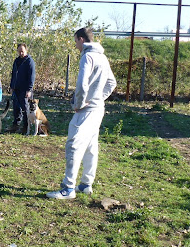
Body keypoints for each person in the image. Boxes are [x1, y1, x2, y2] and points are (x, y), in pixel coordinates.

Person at [47, 27, 116, 200]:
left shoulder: (88, 56)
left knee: (73, 145)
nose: (75, 45)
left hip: (86, 110)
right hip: (98, 108)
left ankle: (68, 188)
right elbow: (111, 82)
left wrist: (80, 103)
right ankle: (86, 184)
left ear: (81, 40)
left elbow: (82, 84)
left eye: (75, 42)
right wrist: (99, 98)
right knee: (91, 146)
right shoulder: (102, 57)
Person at [8, 43, 36, 133]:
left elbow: (32, 76)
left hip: (25, 89)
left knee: (25, 109)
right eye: (19, 51)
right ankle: (16, 125)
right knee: (16, 108)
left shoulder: (29, 61)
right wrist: (12, 86)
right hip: (16, 88)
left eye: (22, 51)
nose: (21, 53)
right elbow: (13, 74)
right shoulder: (16, 61)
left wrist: (29, 89)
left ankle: (26, 127)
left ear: (26, 50)